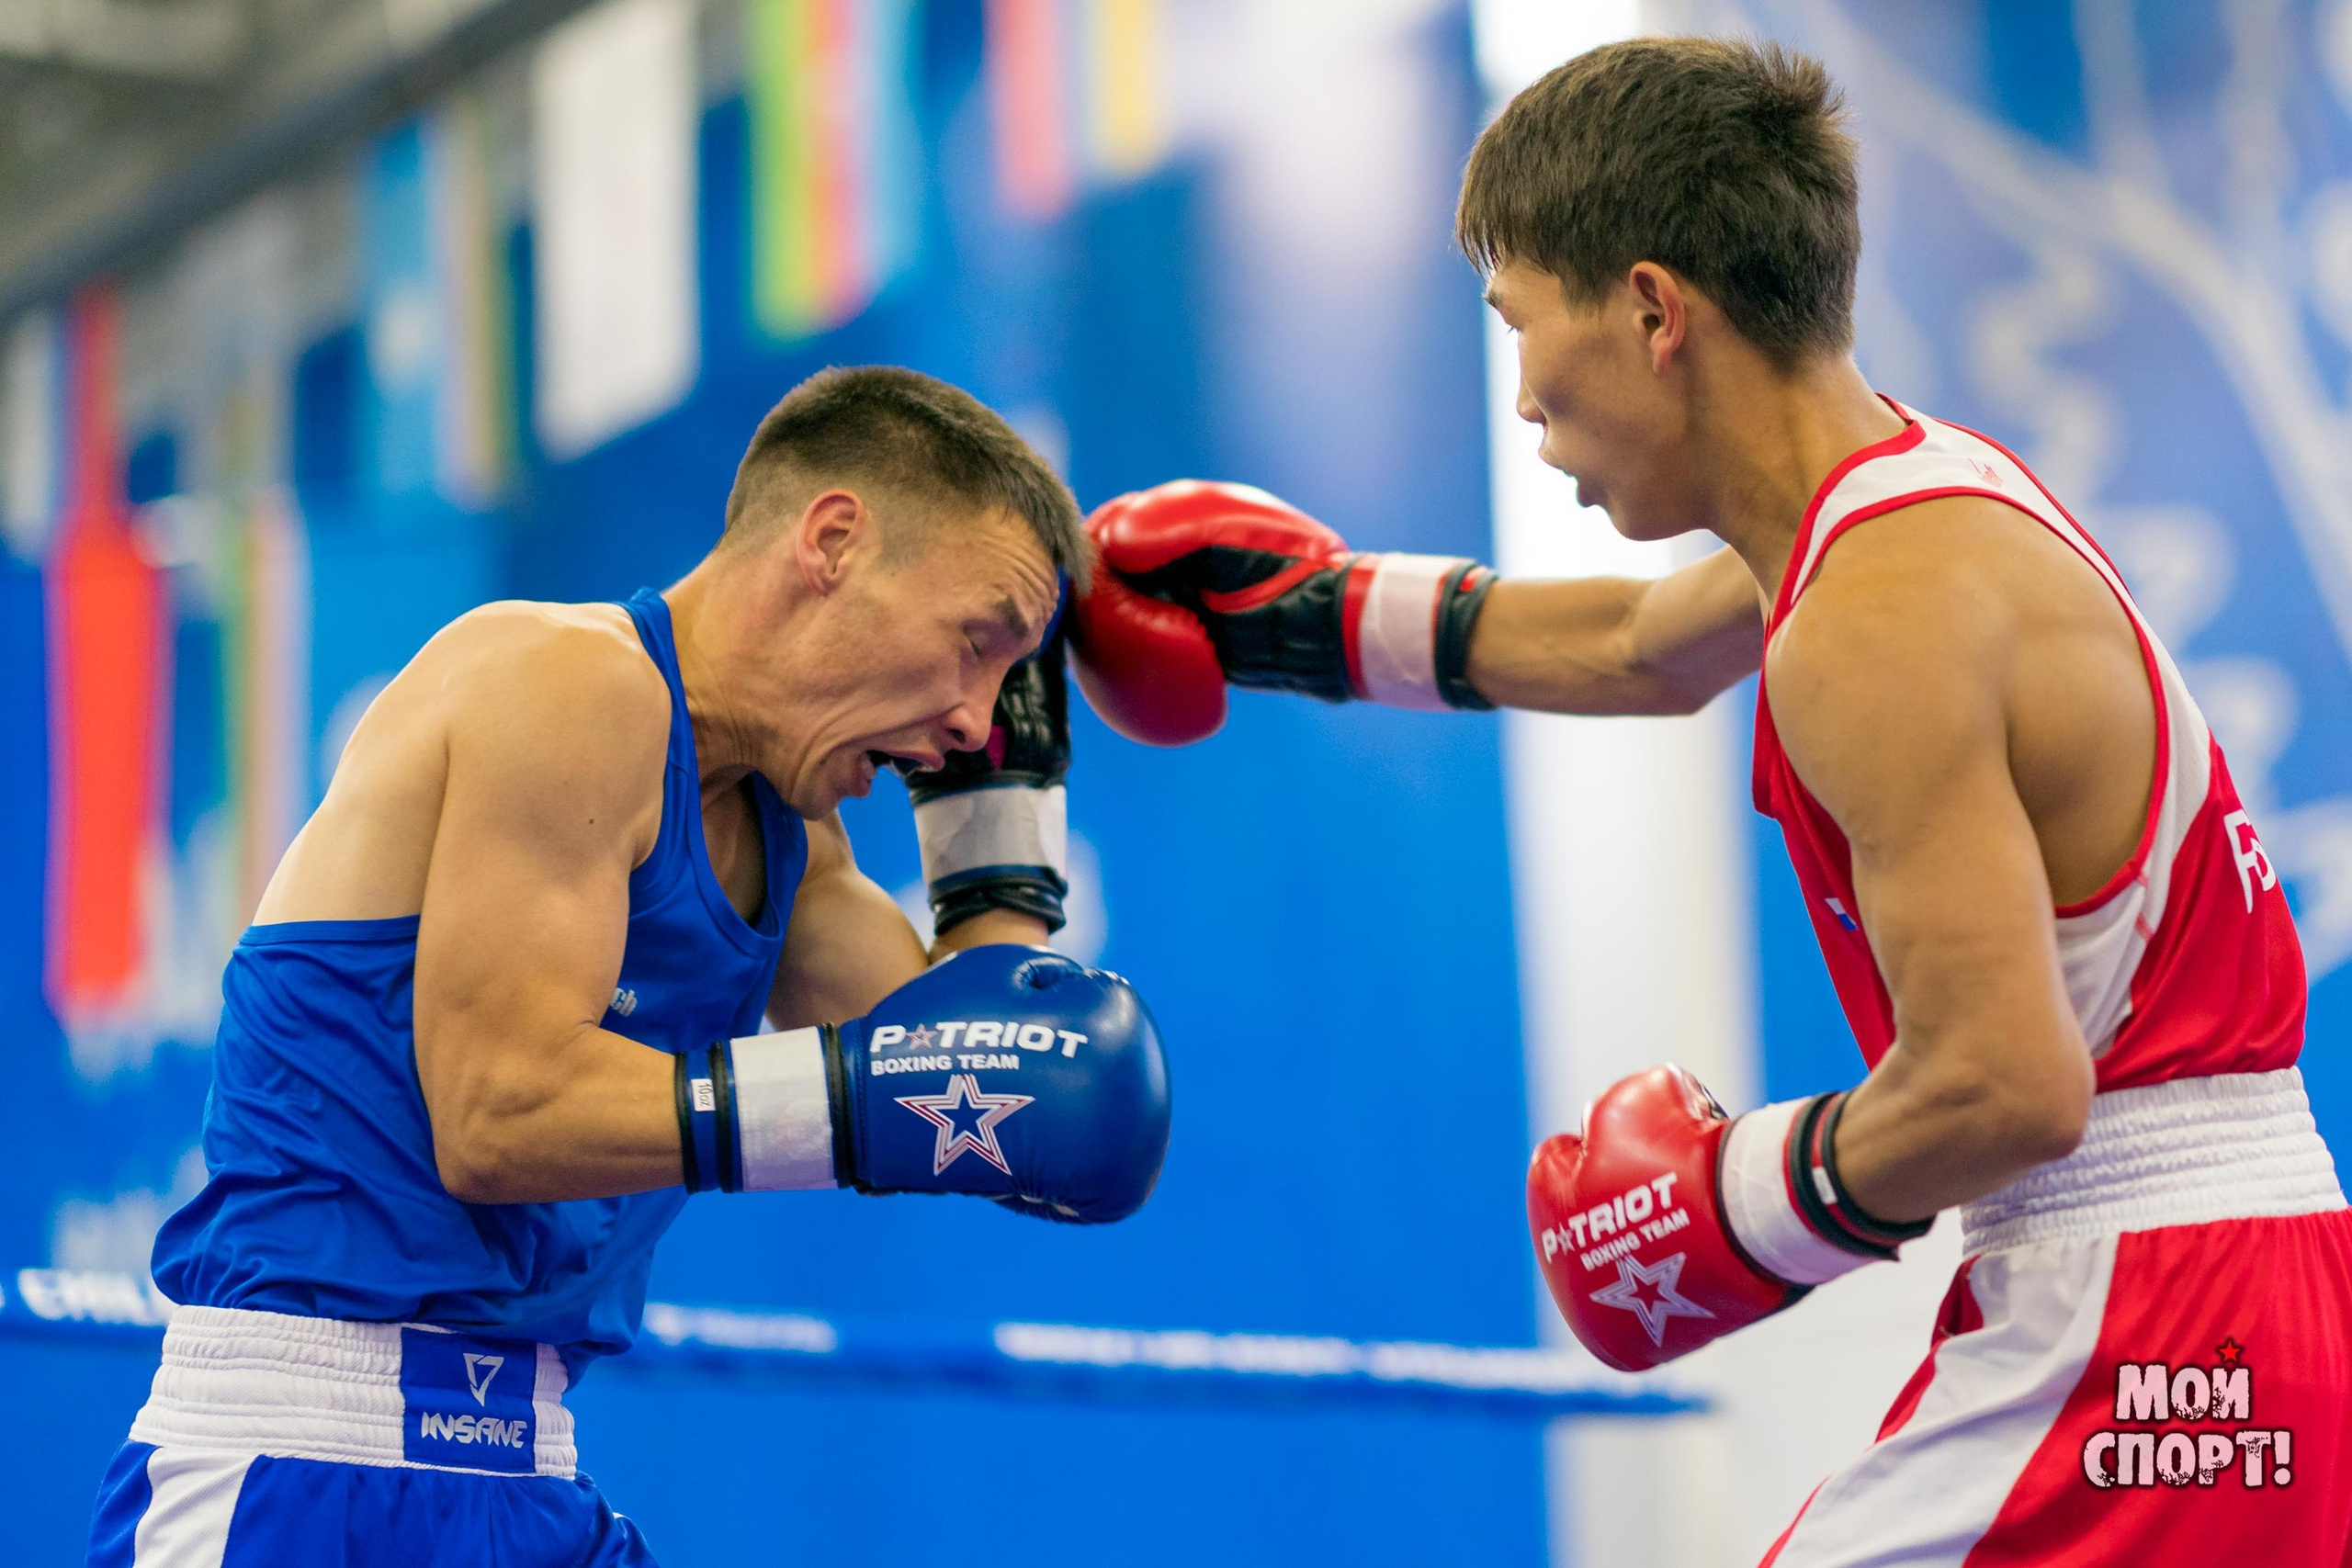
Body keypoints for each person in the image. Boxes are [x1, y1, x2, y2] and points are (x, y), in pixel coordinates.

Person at [1069, 37, 2349, 1566]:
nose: (1527, 401)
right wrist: (1310, 620)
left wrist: (1730, 1205)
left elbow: (2007, 1090)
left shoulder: (1880, 620)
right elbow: (1631, 646)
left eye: (1520, 324)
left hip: (2139, 1302)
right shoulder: (1910, 506)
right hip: (2240, 1300)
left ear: (1653, 311)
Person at [86, 366, 1172, 1568]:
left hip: (526, 1472)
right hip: (299, 1467)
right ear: (833, 541)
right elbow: (498, 1116)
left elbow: (1005, 1091)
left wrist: (999, 829)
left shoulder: (788, 835)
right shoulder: (564, 682)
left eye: (1005, 675)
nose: (976, 713)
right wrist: (845, 1104)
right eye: (976, 642)